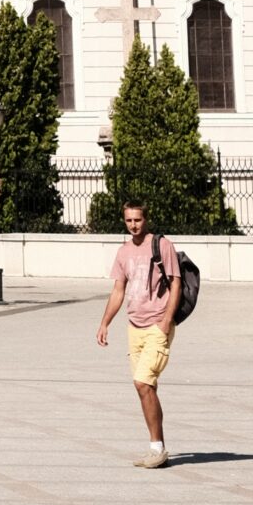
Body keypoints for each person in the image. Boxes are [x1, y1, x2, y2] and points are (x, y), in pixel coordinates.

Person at [96, 198, 183, 469]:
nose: (133, 225)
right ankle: (157, 448)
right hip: (134, 327)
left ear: (146, 219)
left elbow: (176, 283)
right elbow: (118, 290)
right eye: (129, 220)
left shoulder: (161, 245)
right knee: (147, 388)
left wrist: (166, 321)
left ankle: (157, 448)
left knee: (142, 382)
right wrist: (105, 323)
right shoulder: (123, 252)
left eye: (137, 219)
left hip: (158, 325)